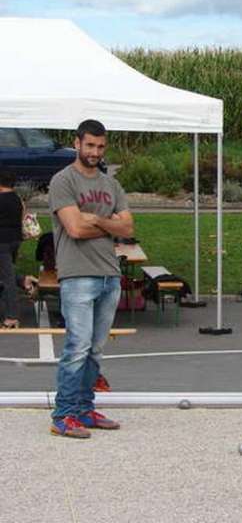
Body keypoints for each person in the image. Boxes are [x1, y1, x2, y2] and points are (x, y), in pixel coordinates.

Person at [49, 119, 134, 439]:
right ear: (77, 143)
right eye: (90, 145)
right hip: (77, 275)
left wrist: (97, 218)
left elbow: (128, 228)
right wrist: (110, 223)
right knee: (78, 346)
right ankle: (64, 414)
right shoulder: (63, 181)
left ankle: (84, 410)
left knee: (95, 349)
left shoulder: (110, 184)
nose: (95, 151)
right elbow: (74, 229)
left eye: (100, 146)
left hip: (109, 275)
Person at [0, 167, 23, 329]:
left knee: (7, 279)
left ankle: (12, 316)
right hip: (14, 240)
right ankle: (24, 280)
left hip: (1, 242)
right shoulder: (17, 199)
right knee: (6, 273)